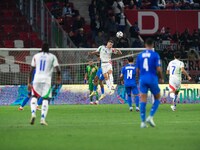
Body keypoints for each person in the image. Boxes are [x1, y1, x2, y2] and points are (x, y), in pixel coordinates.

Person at [29, 43, 61, 126]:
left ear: (41, 48)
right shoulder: (52, 57)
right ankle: (42, 119)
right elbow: (58, 69)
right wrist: (58, 77)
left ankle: (33, 113)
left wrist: (29, 82)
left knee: (34, 97)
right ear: (49, 49)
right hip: (46, 80)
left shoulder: (36, 56)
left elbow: (31, 70)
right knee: (45, 99)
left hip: (36, 79)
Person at [136, 38, 164, 128]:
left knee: (143, 100)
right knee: (158, 97)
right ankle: (151, 116)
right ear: (152, 45)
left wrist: (139, 78)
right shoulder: (155, 55)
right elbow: (158, 69)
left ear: (145, 45)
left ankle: (143, 122)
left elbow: (137, 70)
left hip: (142, 79)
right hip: (152, 78)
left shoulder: (140, 55)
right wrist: (161, 78)